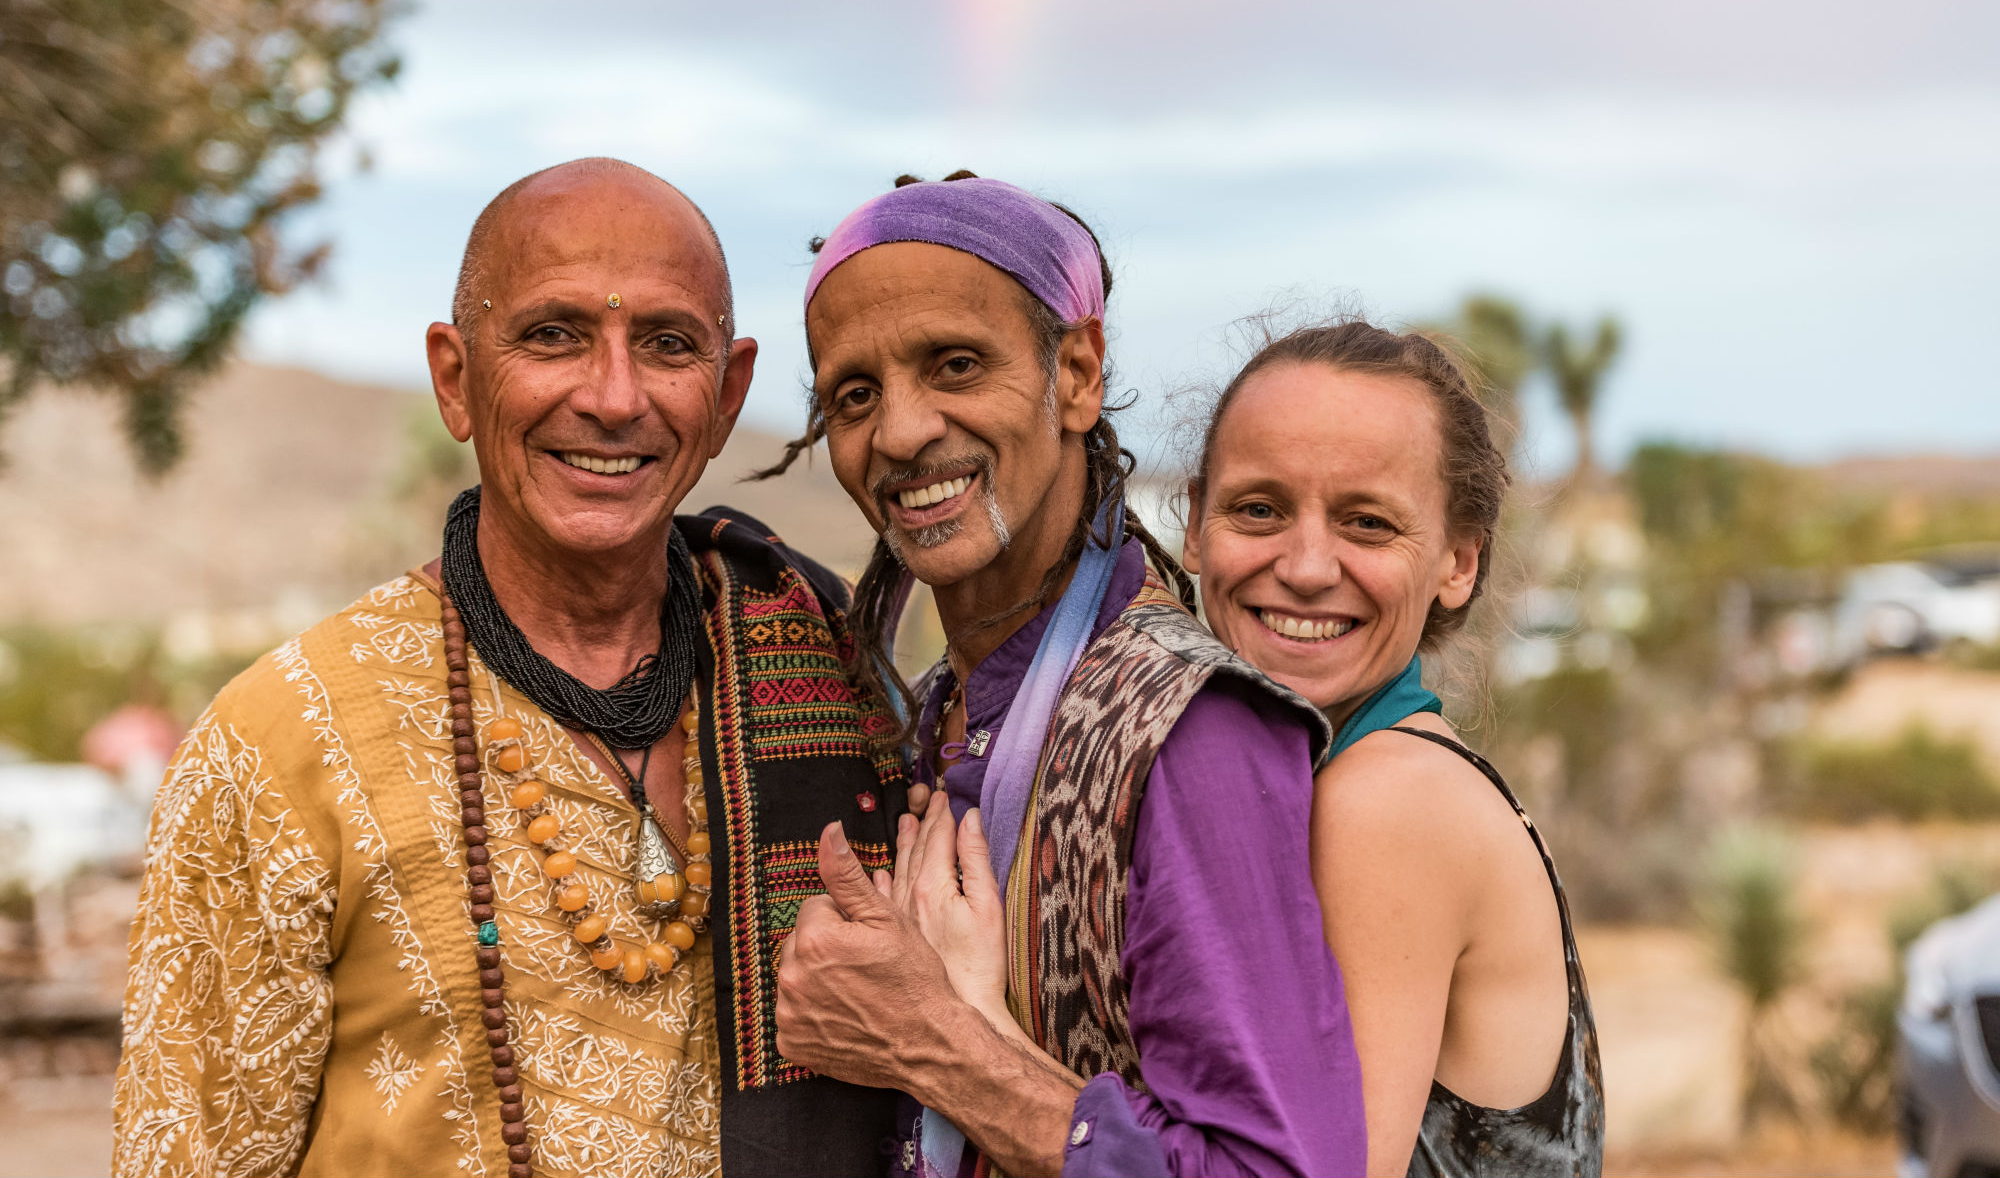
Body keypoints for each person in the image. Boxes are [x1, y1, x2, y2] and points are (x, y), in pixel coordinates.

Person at [112, 158, 909, 1178]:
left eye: (667, 344)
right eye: (552, 335)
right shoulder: (283, 740)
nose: (613, 397)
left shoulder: (825, 674)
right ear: (455, 378)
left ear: (726, 394)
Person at [761, 172, 1367, 1178]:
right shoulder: (939, 708)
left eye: (955, 364)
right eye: (854, 396)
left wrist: (931, 1042)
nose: (901, 432)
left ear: (1077, 373)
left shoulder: (1188, 727)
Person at [1180, 319, 1605, 1177]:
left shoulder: (1388, 800)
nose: (1306, 566)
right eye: (1259, 509)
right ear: (1194, 523)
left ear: (1459, 561)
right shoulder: (1347, 770)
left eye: (1367, 523)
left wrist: (973, 1054)